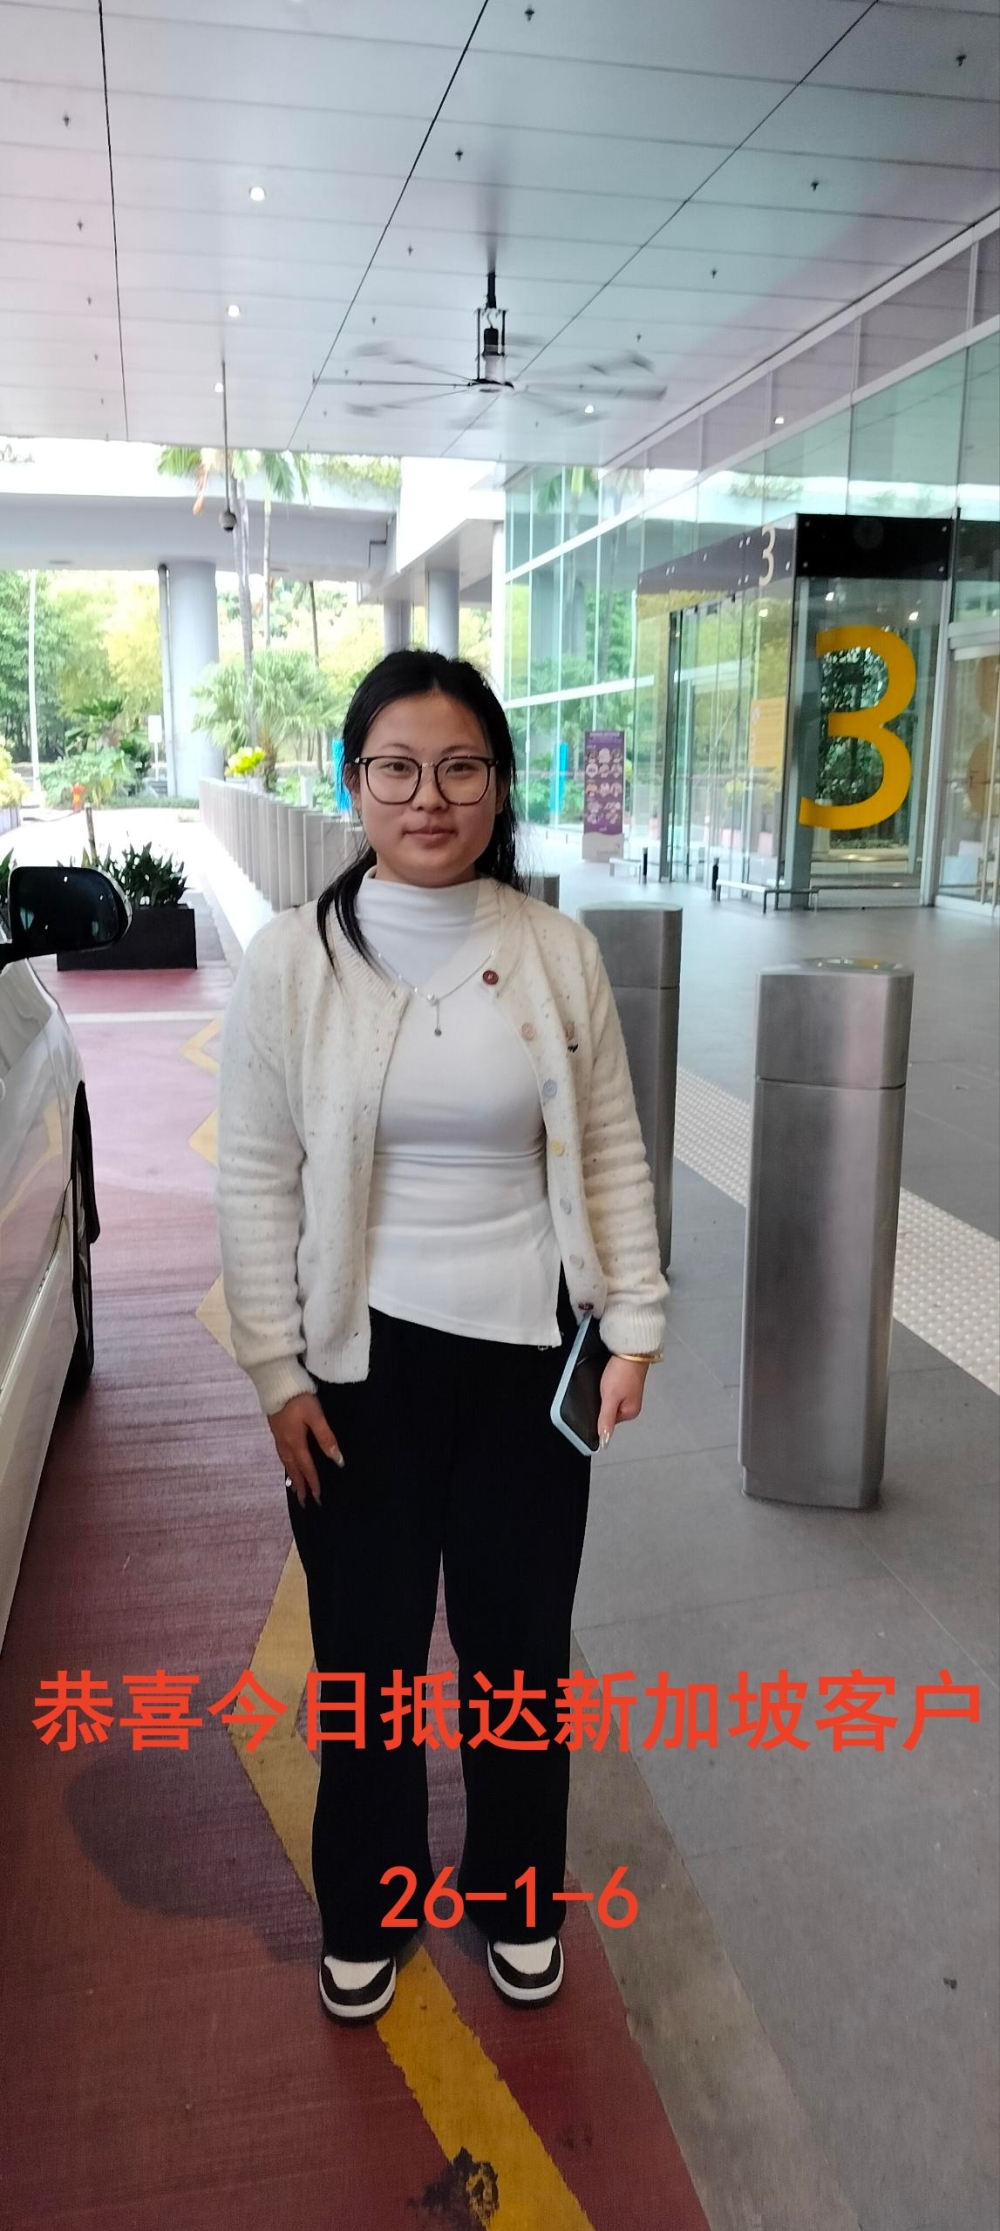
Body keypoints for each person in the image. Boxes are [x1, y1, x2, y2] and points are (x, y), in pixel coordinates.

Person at [216, 648, 668, 2026]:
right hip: (360, 1370)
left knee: (520, 1653)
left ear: (499, 787)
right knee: (365, 1658)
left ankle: (517, 1896)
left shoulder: (554, 951)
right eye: (398, 768)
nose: (430, 797)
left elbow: (608, 1143)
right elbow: (256, 1177)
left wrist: (634, 1323)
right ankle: (368, 1901)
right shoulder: (294, 961)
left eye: (461, 767)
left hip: (530, 1361)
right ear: (354, 784)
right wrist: (275, 1369)